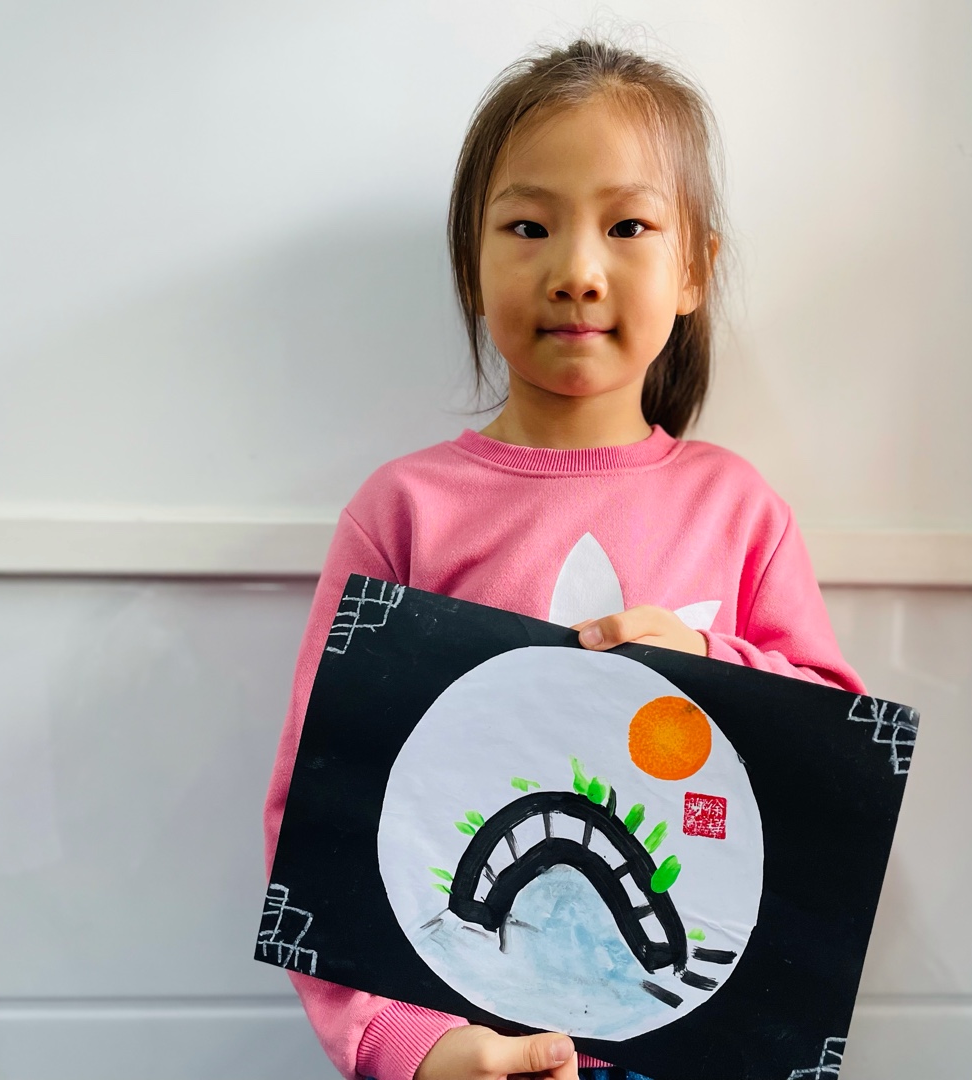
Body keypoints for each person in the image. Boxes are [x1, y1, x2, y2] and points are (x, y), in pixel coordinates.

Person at [263, 37, 865, 1080]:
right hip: (468, 1045)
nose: (578, 272)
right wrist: (407, 1044)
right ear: (473, 264)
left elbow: (835, 770)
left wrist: (711, 663)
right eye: (529, 227)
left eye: (628, 226)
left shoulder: (739, 510)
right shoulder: (404, 514)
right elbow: (316, 815)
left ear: (693, 269)